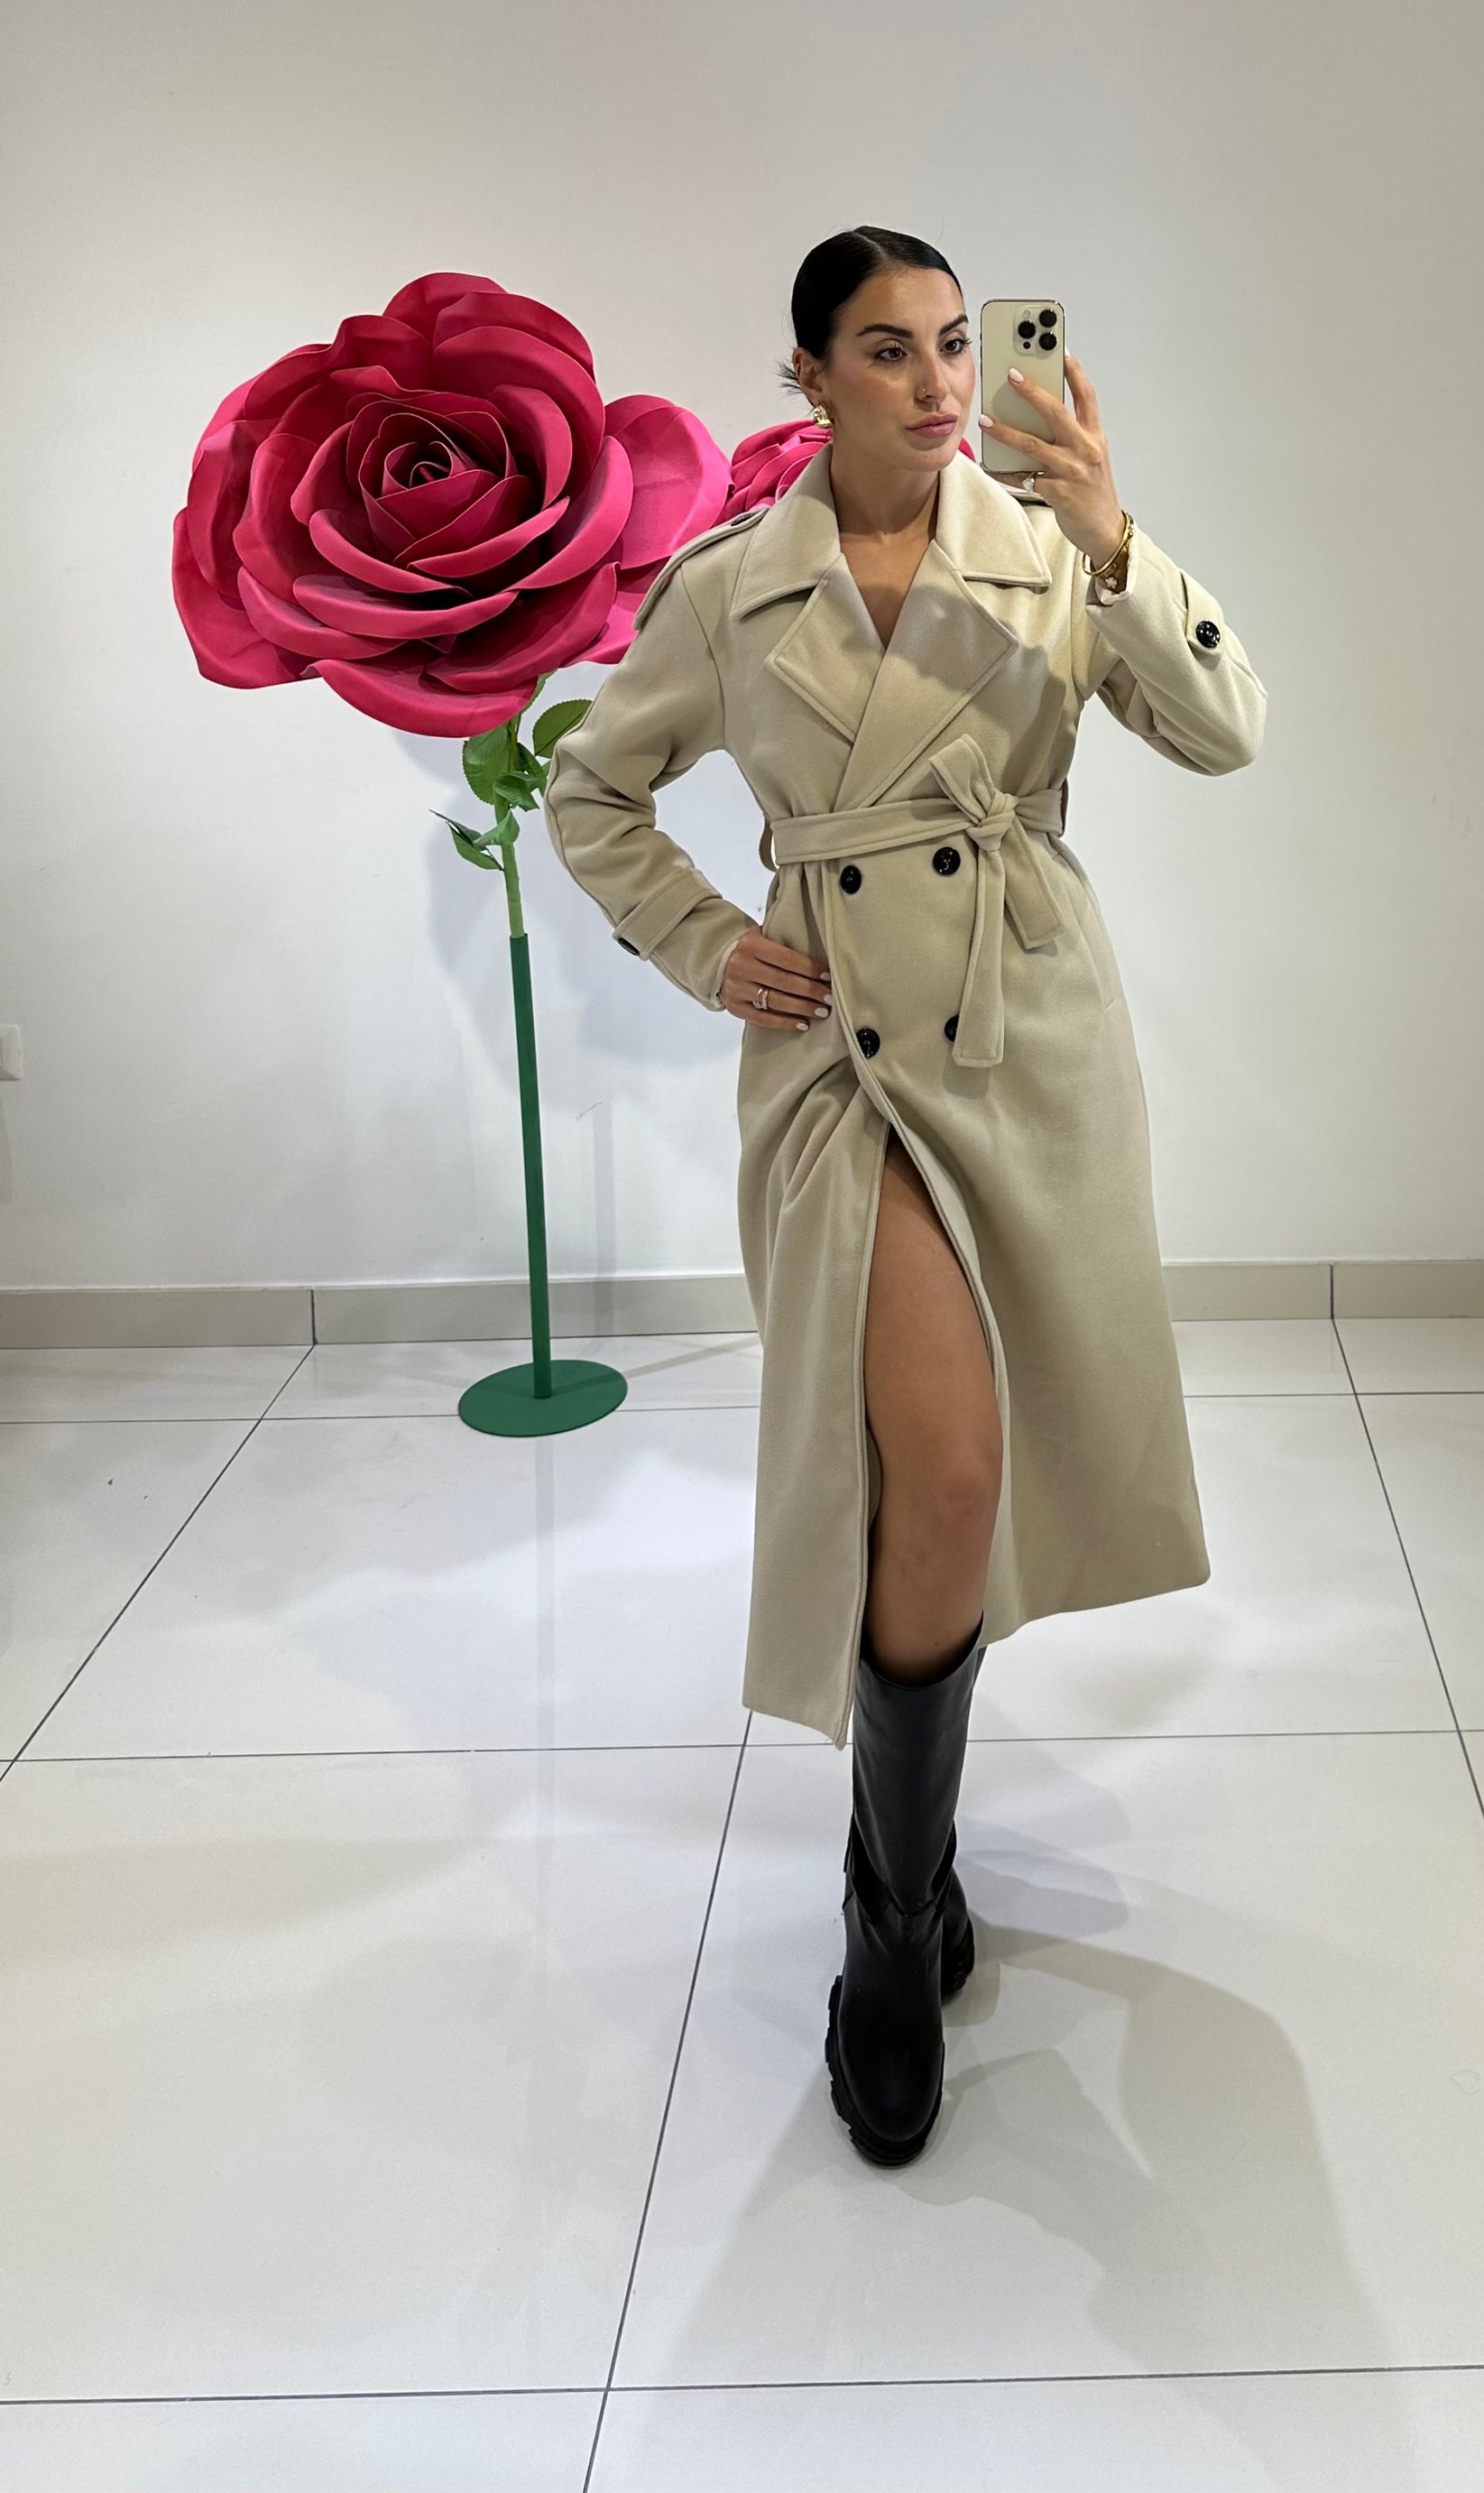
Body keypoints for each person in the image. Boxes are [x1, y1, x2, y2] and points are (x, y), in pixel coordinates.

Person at [544, 226, 1266, 2167]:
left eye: (955, 342)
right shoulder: (731, 585)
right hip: (843, 1058)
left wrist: (1112, 537)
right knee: (939, 1476)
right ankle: (888, 1915)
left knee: (976, 1476)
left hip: (1025, 1031)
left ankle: (909, 1866)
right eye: (886, 348)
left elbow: (1227, 731)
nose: (940, 381)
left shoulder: (1046, 554)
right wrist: (708, 944)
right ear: (807, 375)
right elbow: (591, 793)